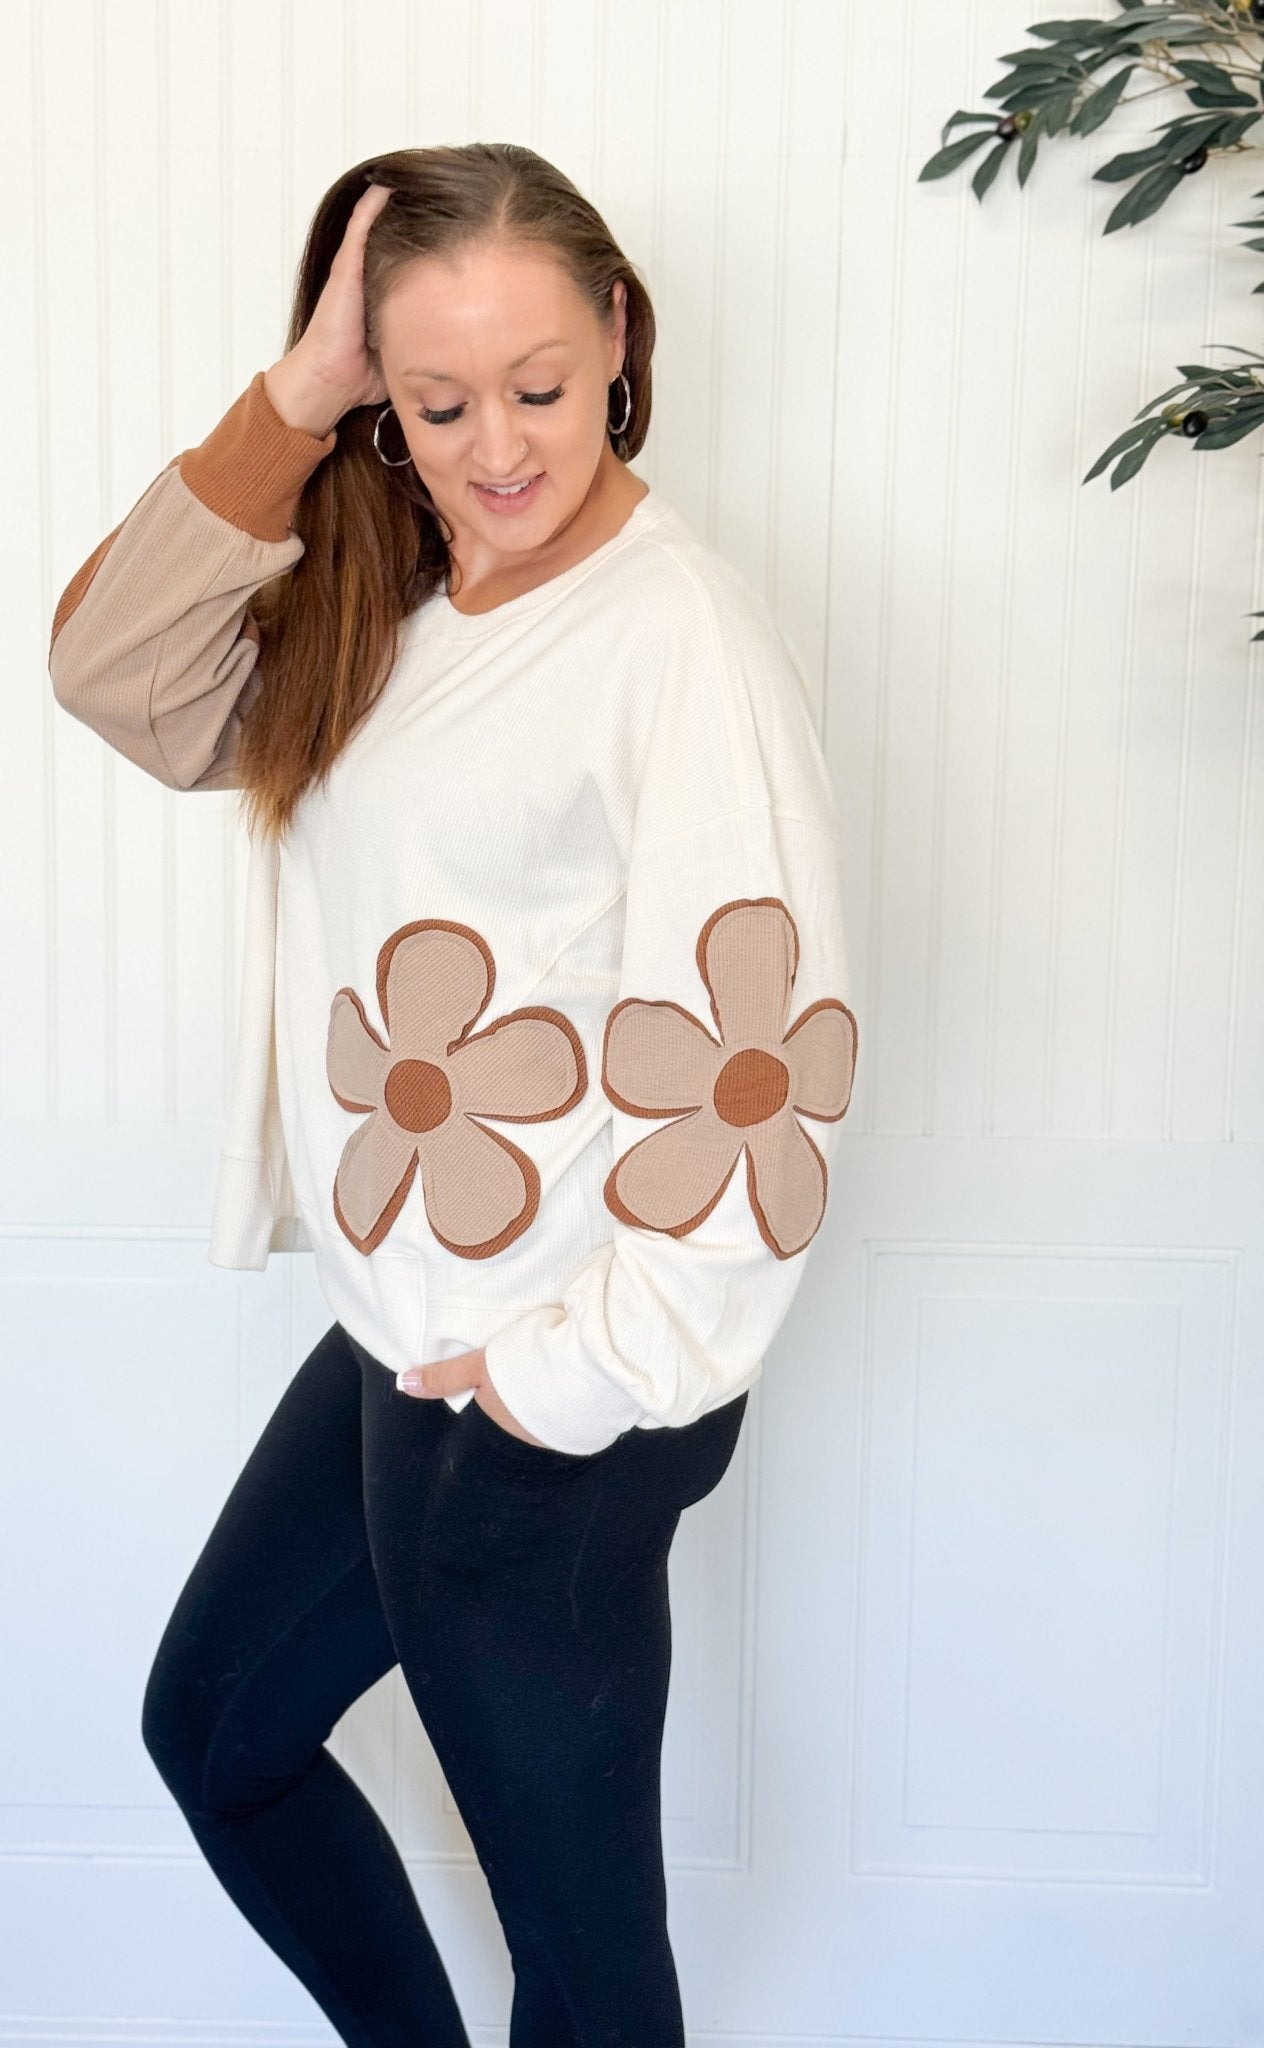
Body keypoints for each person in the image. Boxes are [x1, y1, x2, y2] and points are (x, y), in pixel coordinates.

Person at [47, 142, 857, 2048]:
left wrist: (577, 1378)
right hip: (404, 1336)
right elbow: (113, 672)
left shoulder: (676, 640)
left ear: (621, 336)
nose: (499, 447)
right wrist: (297, 397)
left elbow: (762, 1059)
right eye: (436, 401)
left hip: (548, 1391)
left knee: (584, 1971)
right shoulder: (392, 603)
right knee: (219, 1734)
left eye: (540, 386)